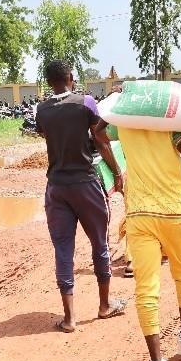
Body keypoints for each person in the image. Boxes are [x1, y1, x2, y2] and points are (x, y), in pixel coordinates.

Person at [36, 60, 127, 333]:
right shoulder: (85, 103)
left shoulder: (42, 109)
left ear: (48, 82)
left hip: (56, 187)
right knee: (100, 243)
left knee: (63, 249)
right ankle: (104, 305)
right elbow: (100, 139)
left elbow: (47, 135)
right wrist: (117, 172)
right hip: (85, 184)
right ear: (71, 77)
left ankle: (69, 318)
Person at [117, 123, 181, 361]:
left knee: (146, 288)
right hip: (173, 212)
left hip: (139, 214)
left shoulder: (124, 124)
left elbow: (99, 131)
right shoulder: (171, 123)